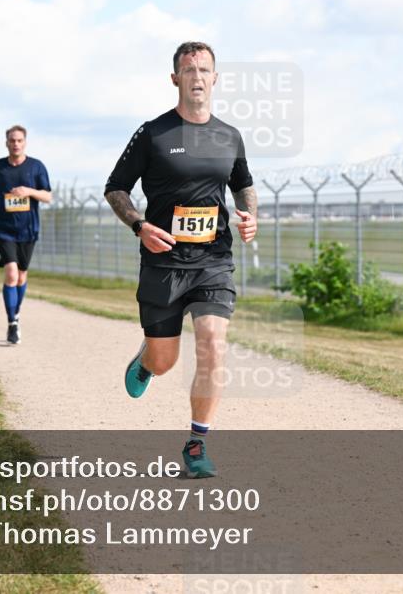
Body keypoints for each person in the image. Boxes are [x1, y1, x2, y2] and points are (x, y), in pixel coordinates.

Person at [104, 41, 258, 478]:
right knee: (166, 360)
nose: (196, 77)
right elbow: (115, 188)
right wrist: (139, 225)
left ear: (215, 78)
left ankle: (196, 445)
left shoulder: (229, 135)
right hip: (163, 262)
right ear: (175, 79)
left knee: (212, 344)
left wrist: (251, 217)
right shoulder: (153, 133)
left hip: (213, 260)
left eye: (204, 69)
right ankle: (146, 360)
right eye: (188, 70)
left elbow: (244, 184)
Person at [0, 125, 53, 344]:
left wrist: (28, 191)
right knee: (11, 273)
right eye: (12, 140)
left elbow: (47, 196)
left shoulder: (36, 166)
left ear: (25, 143)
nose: (15, 144)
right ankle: (12, 323)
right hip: (3, 228)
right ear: (6, 143)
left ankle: (16, 312)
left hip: (28, 229)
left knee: (21, 275)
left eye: (19, 140)